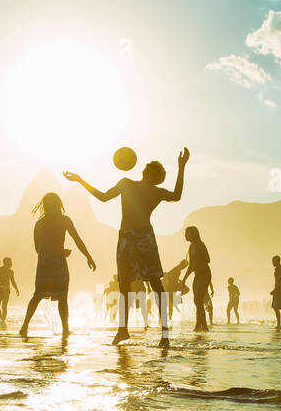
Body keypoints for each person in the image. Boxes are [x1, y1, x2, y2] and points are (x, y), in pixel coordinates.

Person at [65, 148, 189, 348]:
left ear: (150, 175)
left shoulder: (138, 187)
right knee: (133, 284)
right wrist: (80, 180)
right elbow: (103, 197)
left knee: (146, 284)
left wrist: (181, 167)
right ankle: (128, 331)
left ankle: (160, 333)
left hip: (135, 239)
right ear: (150, 175)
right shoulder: (141, 188)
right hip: (136, 238)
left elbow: (175, 196)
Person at [17, 192, 95, 337]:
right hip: (59, 262)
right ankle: (65, 329)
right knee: (62, 296)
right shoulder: (64, 220)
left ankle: (24, 327)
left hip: (44, 263)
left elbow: (37, 249)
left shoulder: (39, 224)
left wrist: (52, 251)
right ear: (59, 204)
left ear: (44, 206)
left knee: (38, 295)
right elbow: (77, 239)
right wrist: (88, 256)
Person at [181, 226, 212, 332]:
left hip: (205, 274)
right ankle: (200, 324)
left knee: (198, 300)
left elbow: (208, 259)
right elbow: (191, 265)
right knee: (196, 300)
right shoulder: (191, 246)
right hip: (197, 275)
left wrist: (197, 262)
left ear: (193, 234)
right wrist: (184, 279)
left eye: (187, 233)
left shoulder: (200, 245)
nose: (185, 235)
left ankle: (203, 326)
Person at [0, 257, 20, 326]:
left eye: (11, 263)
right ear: (5, 263)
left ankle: (3, 321)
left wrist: (16, 289)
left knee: (4, 306)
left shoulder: (10, 272)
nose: (11, 264)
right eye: (10, 263)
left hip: (6, 291)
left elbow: (13, 281)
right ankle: (1, 319)